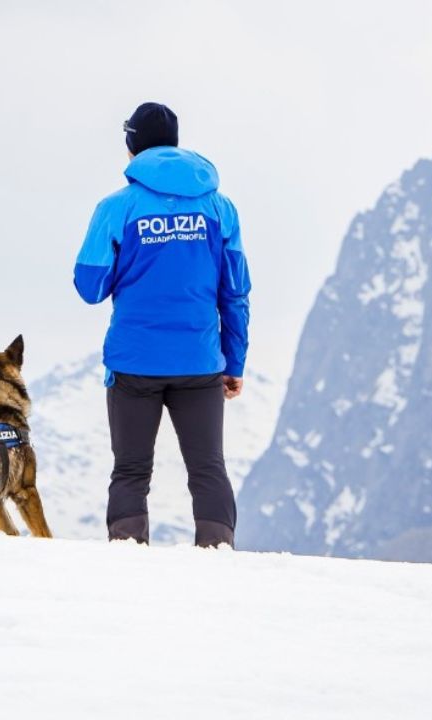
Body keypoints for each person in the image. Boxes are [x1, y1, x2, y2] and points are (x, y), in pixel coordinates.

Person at [72, 102, 250, 548]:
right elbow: (236, 290)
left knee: (131, 469)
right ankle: (217, 552)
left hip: (135, 363)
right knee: (208, 467)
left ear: (132, 145)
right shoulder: (220, 208)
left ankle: (128, 554)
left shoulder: (117, 207)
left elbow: (90, 287)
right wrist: (235, 361)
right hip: (200, 361)